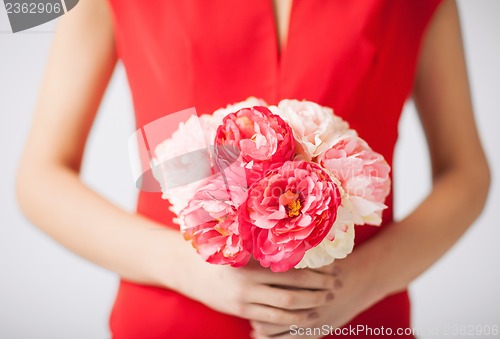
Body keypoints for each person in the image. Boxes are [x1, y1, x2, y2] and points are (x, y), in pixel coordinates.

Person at [16, 0, 490, 338]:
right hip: (172, 319)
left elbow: (465, 172)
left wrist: (354, 286)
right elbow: (41, 176)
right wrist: (186, 268)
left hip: (356, 318)